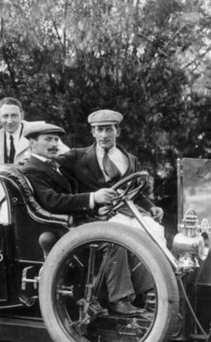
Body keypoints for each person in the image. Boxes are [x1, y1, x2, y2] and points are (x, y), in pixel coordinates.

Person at [22, 123, 147, 316]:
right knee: (115, 240)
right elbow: (52, 202)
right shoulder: (33, 169)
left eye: (56, 139)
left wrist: (97, 210)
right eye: (48, 139)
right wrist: (93, 198)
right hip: (56, 228)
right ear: (32, 143)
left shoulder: (53, 165)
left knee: (130, 232)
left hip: (73, 222)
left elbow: (70, 195)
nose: (54, 144)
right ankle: (118, 300)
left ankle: (138, 295)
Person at [0, 97, 32, 221]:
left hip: (29, 192)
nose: (9, 121)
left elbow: (60, 152)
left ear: (22, 115)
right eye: (5, 116)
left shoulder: (36, 133)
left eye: (14, 115)